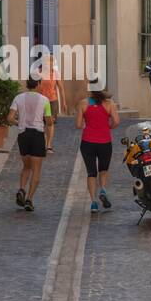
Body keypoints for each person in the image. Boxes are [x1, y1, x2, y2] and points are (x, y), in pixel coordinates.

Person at [8, 76, 52, 212]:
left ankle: (22, 189)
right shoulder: (45, 100)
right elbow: (49, 121)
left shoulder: (18, 98)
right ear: (38, 84)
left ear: (27, 84)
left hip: (23, 135)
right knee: (36, 169)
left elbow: (9, 118)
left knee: (26, 166)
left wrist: (19, 123)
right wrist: (49, 122)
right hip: (37, 135)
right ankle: (29, 199)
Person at [76, 83, 120, 214]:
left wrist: (87, 126)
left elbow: (78, 124)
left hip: (87, 142)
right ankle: (103, 189)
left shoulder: (83, 103)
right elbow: (117, 121)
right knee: (103, 169)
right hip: (105, 141)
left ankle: (94, 202)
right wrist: (108, 127)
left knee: (91, 172)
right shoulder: (110, 104)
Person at [32, 48, 66, 152]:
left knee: (50, 123)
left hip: (52, 101)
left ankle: (49, 145)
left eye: (52, 63)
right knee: (41, 123)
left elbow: (61, 88)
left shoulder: (55, 73)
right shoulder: (37, 72)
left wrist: (64, 102)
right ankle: (43, 142)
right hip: (40, 101)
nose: (50, 66)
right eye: (48, 63)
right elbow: (33, 87)